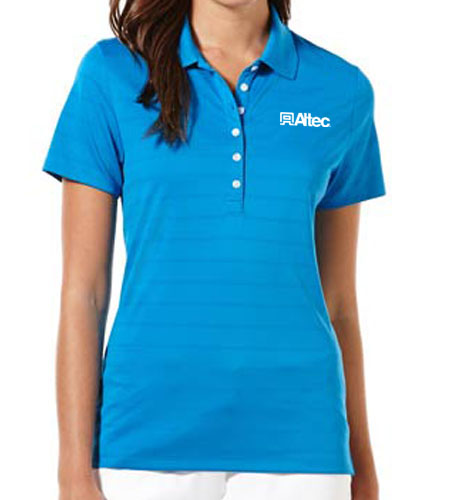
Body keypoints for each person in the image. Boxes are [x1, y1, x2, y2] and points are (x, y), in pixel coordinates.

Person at [43, 0, 386, 499]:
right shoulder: (111, 74)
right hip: (145, 433)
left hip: (303, 438)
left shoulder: (341, 89)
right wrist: (73, 472)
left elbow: (338, 304)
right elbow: (84, 291)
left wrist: (363, 465)